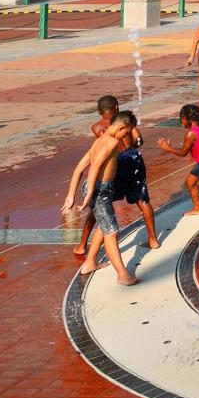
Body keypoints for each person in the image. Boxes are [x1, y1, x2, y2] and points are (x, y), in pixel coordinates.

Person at [63, 110, 142, 285]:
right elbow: (94, 168)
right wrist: (90, 193)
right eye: (127, 133)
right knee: (112, 232)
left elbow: (79, 168)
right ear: (121, 127)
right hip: (100, 191)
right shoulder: (112, 142)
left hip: (96, 189)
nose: (126, 137)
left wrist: (71, 195)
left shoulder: (98, 141)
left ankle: (90, 262)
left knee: (104, 224)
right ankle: (122, 274)